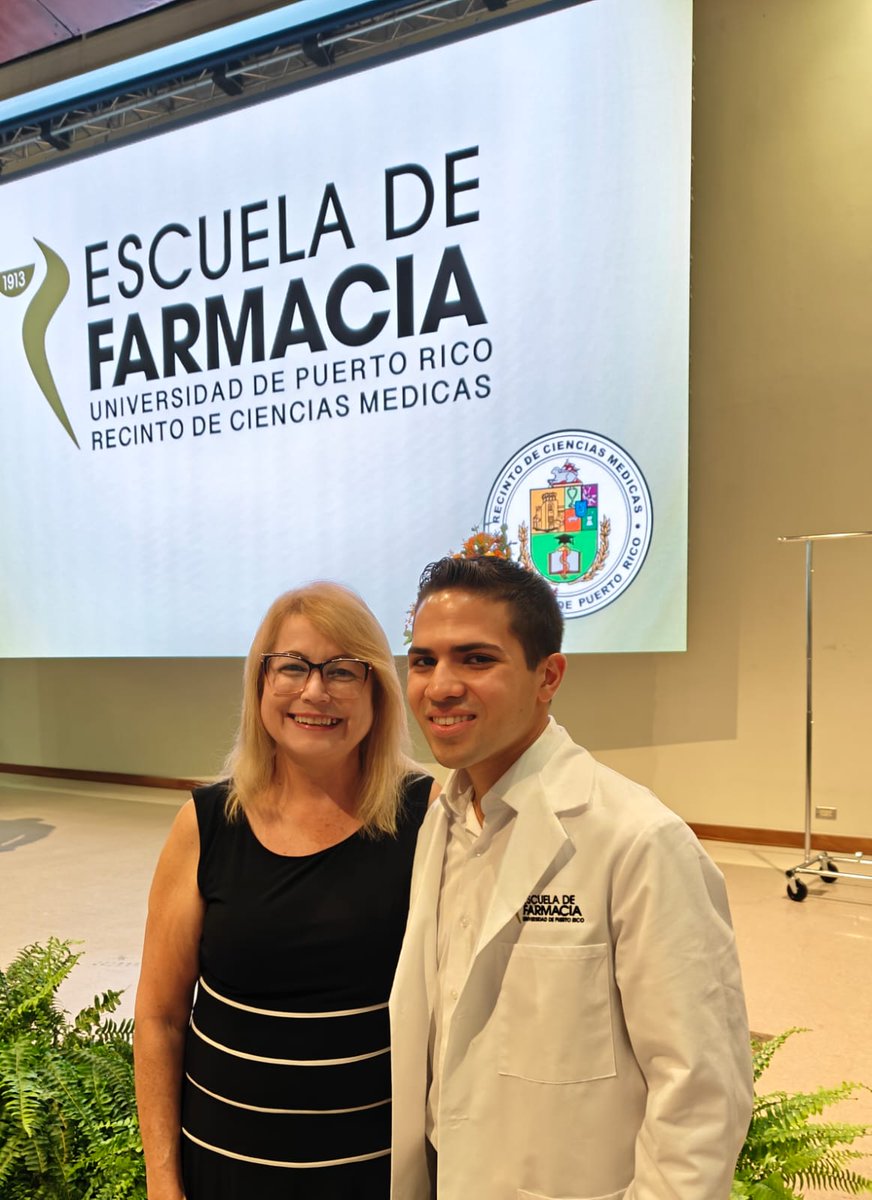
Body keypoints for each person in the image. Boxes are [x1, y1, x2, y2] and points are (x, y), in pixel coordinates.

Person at [390, 555, 754, 1200]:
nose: (440, 685)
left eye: (476, 659)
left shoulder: (638, 840)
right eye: (423, 660)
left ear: (547, 675)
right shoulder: (438, 821)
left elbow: (701, 1091)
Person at [134, 581, 436, 1200]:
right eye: (293, 666)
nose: (315, 691)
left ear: (378, 691)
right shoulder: (206, 823)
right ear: (260, 683)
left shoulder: (427, 816)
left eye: (344, 671)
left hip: (372, 1173)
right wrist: (162, 1182)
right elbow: (160, 1019)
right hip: (222, 1169)